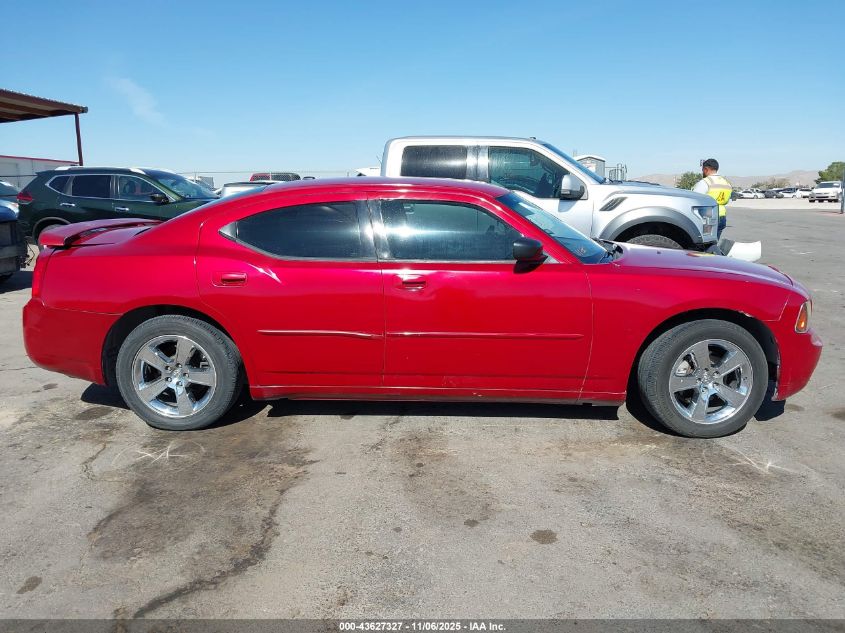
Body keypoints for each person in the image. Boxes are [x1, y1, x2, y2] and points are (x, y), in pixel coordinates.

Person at [693, 158, 732, 237]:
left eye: (703, 170)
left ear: (706, 169)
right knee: (714, 242)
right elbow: (727, 200)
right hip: (722, 216)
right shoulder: (726, 183)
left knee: (704, 244)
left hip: (708, 217)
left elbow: (695, 200)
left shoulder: (705, 182)